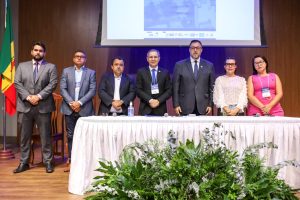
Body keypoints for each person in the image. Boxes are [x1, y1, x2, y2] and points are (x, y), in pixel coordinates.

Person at [14, 42, 58, 173]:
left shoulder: (51, 67)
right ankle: (24, 162)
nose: (38, 52)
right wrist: (28, 97)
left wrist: (38, 96)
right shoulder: (22, 66)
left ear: (44, 53)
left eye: (41, 50)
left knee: (46, 136)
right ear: (31, 52)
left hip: (43, 106)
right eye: (36, 50)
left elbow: (53, 84)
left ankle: (48, 162)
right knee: (24, 137)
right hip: (25, 106)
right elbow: (17, 83)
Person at [60, 50, 96, 171]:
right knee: (70, 135)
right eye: (77, 56)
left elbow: (92, 90)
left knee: (85, 136)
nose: (79, 58)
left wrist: (79, 103)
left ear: (85, 59)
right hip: (69, 108)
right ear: (73, 58)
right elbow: (63, 89)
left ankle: (84, 162)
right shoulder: (66, 71)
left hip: (84, 108)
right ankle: (71, 160)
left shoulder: (91, 73)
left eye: (82, 57)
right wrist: (72, 103)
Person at [173, 40, 215, 116]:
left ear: (201, 50)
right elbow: (175, 87)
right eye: (193, 48)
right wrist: (176, 105)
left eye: (198, 48)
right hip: (184, 106)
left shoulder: (209, 66)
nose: (195, 50)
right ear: (189, 50)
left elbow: (212, 87)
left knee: (202, 128)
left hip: (203, 106)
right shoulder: (179, 65)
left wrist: (210, 104)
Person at [136, 49, 172, 116]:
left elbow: (169, 90)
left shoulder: (165, 72)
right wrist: (150, 100)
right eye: (151, 57)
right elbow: (138, 90)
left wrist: (158, 101)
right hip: (145, 109)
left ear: (159, 58)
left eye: (155, 57)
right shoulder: (141, 72)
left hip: (161, 108)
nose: (153, 59)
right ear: (147, 59)